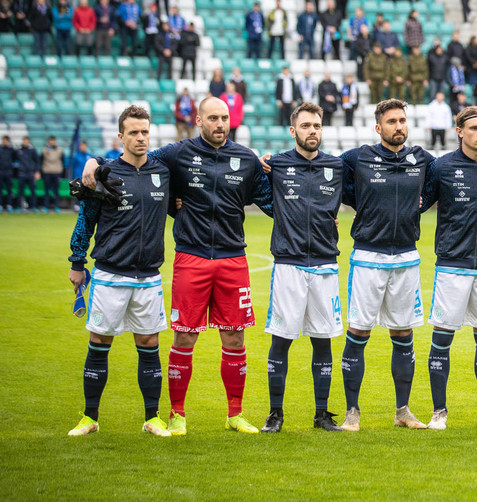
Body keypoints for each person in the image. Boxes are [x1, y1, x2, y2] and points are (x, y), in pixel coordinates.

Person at [81, 97, 274, 435]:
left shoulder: (245, 159)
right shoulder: (177, 154)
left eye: (224, 118)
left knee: (235, 336)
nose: (220, 124)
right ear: (199, 120)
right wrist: (94, 161)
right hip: (191, 257)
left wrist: (281, 168)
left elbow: (273, 202)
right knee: (184, 337)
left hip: (233, 258)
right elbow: (132, 159)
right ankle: (177, 415)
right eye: (212, 118)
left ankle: (235, 414)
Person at [66, 106, 173, 437]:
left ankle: (152, 418)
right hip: (110, 274)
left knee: (149, 342)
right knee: (99, 340)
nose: (140, 138)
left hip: (149, 277)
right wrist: (77, 262)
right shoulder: (106, 173)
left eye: (145, 132)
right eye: (133, 133)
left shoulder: (163, 171)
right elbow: (86, 218)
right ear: (121, 137)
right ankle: (89, 417)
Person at [419, 106, 477, 430]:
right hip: (452, 265)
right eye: (474, 128)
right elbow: (419, 203)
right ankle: (438, 412)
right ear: (459, 131)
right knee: (442, 338)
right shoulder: (442, 166)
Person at [257, 103, 345, 433]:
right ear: (293, 131)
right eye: (306, 125)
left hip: (324, 264)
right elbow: (257, 191)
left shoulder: (335, 166)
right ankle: (275, 414)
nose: (312, 131)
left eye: (317, 125)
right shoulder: (276, 164)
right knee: (281, 339)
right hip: (289, 265)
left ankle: (322, 415)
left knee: (323, 341)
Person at [39, 136, 64, 212]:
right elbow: (41, 161)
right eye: (51, 141)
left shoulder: (60, 150)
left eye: (53, 141)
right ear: (49, 141)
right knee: (46, 190)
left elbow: (62, 161)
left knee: (56, 191)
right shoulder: (44, 150)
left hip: (56, 172)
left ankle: (57, 206)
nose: (52, 142)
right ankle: (46, 206)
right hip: (47, 172)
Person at [15, 137, 40, 212]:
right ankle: (19, 206)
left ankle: (33, 206)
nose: (25, 142)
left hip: (30, 173)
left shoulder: (32, 151)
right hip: (21, 173)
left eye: (26, 141)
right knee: (20, 191)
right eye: (24, 141)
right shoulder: (19, 150)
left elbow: (37, 161)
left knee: (33, 191)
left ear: (28, 141)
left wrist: (37, 171)